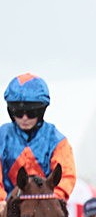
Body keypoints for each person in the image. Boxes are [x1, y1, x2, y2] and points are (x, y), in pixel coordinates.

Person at [0, 73, 76, 205]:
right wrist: (1, 201)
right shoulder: (2, 136)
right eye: (18, 112)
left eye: (31, 113)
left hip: (46, 206)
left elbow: (66, 176)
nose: (24, 118)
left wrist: (53, 199)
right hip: (8, 206)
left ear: (41, 111)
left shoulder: (57, 141)